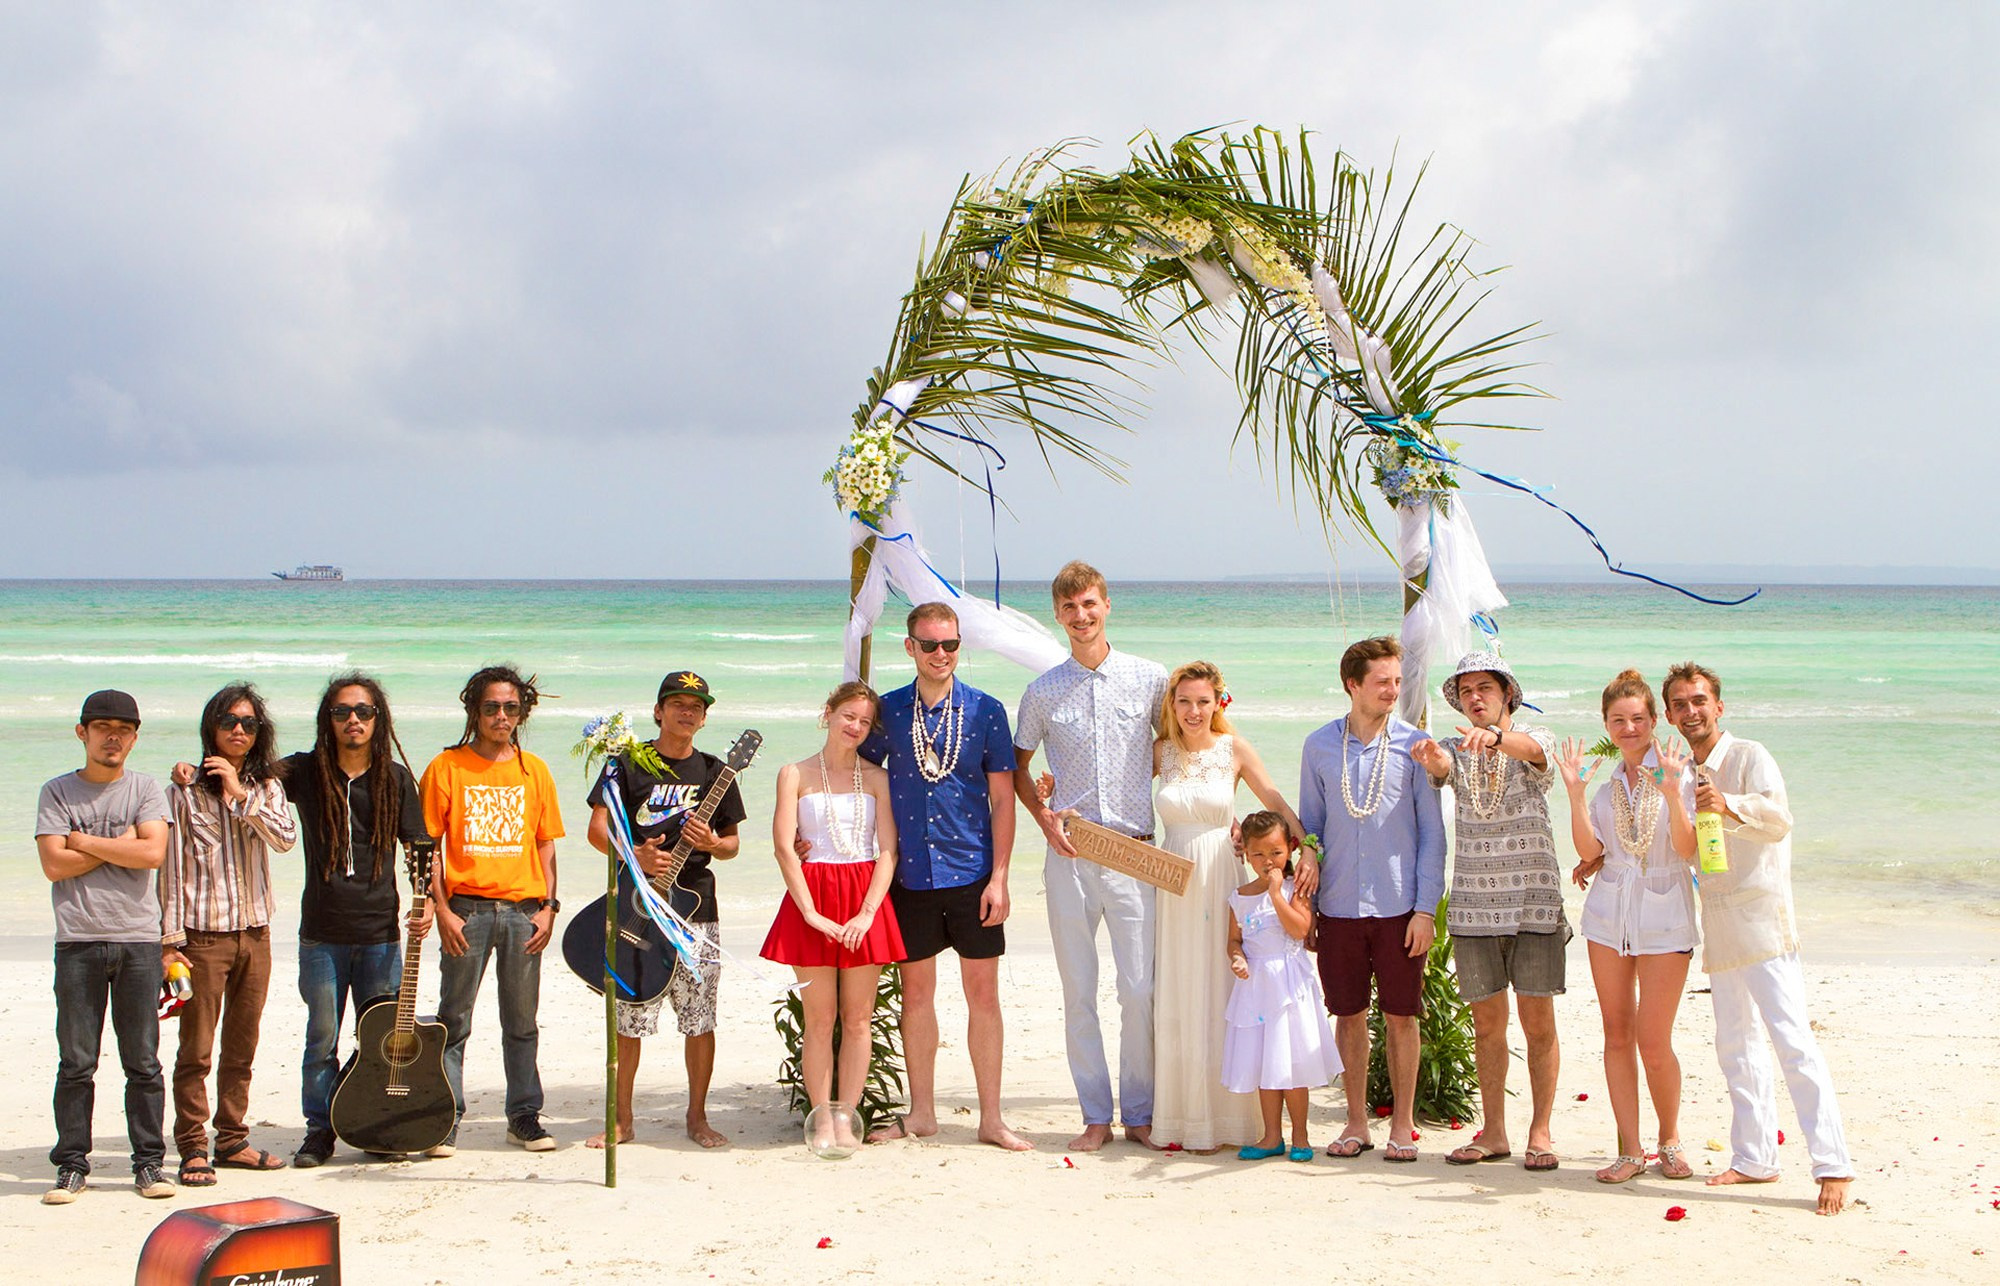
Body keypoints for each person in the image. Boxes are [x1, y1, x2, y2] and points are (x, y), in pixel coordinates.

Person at [1663, 662, 1855, 1215]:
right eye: (1680, 703)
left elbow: (1780, 819)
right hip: (1719, 922)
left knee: (1793, 1043)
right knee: (1736, 1046)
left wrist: (1728, 804)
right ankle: (1753, 1158)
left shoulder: (1749, 756)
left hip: (1764, 920)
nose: (1691, 711)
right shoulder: (1681, 774)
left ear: (1718, 706)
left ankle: (1834, 1164)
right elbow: (1690, 850)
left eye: (1699, 700)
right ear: (1672, 715)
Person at [856, 604, 1031, 1150]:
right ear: (909, 647)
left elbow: (1004, 800)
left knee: (984, 996)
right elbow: (854, 778)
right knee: (917, 995)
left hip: (972, 872)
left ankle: (992, 1118)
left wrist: (999, 877)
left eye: (950, 645)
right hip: (909, 876)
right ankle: (924, 1113)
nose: (941, 655)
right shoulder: (886, 712)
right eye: (929, 645)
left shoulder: (985, 711)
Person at [1012, 560, 1168, 1151]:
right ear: (1057, 615)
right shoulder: (1042, 690)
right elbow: (1017, 766)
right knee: (1079, 990)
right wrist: (1043, 817)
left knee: (1138, 990)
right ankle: (1095, 1115)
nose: (1081, 617)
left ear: (1107, 606)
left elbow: (1182, 743)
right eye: (1070, 608)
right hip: (1071, 852)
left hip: (1133, 850)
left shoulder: (1150, 679)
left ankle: (1142, 1113)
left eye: (1090, 605)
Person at [1409, 652, 1566, 1172]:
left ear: (1505, 695)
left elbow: (1534, 753)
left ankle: (1539, 1131)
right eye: (1466, 690)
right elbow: (1443, 766)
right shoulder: (1458, 746)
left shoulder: (1530, 742)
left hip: (1534, 902)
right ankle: (1494, 1130)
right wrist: (1434, 760)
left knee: (1538, 1021)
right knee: (1487, 1024)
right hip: (1475, 906)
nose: (1475, 697)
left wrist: (1497, 739)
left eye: (1485, 688)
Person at [1151, 660, 1314, 1153]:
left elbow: (1275, 801)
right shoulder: (1159, 752)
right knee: (1180, 988)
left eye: (1203, 701)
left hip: (1221, 870)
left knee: (1227, 984)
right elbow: (1116, 797)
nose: (1194, 711)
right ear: (1171, 705)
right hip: (1173, 878)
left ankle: (1238, 1119)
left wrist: (1308, 849)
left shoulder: (1233, 749)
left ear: (1219, 701)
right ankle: (1184, 1117)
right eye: (1184, 701)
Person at [583, 670, 744, 1150]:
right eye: (677, 703)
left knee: (700, 1018)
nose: (687, 711)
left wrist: (714, 842)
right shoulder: (626, 766)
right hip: (638, 908)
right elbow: (597, 830)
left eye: (696, 706)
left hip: (697, 910)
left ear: (705, 717)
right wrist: (633, 852)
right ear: (658, 711)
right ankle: (622, 1119)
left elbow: (733, 844)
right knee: (628, 1017)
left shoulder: (718, 771)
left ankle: (696, 1117)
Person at [1298, 636, 1444, 1163]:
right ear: (1352, 684)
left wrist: (1426, 909)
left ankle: (1402, 1126)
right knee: (1349, 1014)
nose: (1392, 690)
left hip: (1400, 906)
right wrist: (1307, 905)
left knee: (1404, 1015)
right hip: (1337, 906)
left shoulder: (1416, 745)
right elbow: (1310, 828)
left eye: (1398, 681)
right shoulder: (1318, 746)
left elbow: (1433, 834)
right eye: (1382, 681)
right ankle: (1355, 1122)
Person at [278, 674, 431, 1167]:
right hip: (321, 933)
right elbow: (248, 772)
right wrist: (193, 771)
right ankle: (319, 1130)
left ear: (377, 719)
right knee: (321, 1037)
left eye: (363, 712)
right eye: (343, 712)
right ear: (329, 720)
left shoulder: (394, 778)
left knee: (377, 1040)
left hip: (379, 934)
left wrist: (425, 899)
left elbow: (419, 846)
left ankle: (370, 1125)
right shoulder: (305, 772)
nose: (353, 721)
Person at [1557, 668, 1697, 1185]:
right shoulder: (1607, 785)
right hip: (1607, 918)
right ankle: (1630, 1150)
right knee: (1616, 1034)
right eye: (1619, 720)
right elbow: (1591, 851)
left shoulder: (1680, 772)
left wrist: (1676, 794)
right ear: (1607, 725)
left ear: (1655, 721)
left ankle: (1670, 1141)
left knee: (1653, 1038)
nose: (1629, 728)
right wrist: (1574, 793)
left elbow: (1688, 849)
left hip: (1666, 917)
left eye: (1638, 718)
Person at [36, 690, 176, 1205]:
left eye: (124, 728)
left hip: (139, 941)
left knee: (143, 1061)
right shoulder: (56, 792)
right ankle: (71, 1166)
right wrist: (123, 848)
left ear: (135, 738)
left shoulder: (145, 790)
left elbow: (153, 853)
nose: (112, 736)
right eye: (102, 727)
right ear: (83, 733)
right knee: (76, 1062)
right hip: (77, 941)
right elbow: (53, 865)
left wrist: (84, 841)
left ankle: (149, 1165)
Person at [421, 665, 564, 1156]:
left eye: (510, 707)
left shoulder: (534, 770)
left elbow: (546, 847)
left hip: (524, 912)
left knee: (521, 1022)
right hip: (468, 911)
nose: (501, 716)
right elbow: (429, 848)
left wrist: (548, 909)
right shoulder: (446, 768)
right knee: (453, 1019)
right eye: (491, 708)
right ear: (473, 711)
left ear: (522, 712)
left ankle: (523, 1116)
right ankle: (444, 1117)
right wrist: (441, 910)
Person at [160, 683, 297, 1186]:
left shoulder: (267, 788)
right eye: (228, 721)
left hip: (255, 935)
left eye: (248, 724)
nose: (238, 730)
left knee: (243, 1045)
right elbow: (171, 871)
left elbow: (284, 840)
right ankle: (193, 1146)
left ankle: (233, 1139)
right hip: (200, 940)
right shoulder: (183, 791)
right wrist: (169, 942)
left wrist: (240, 795)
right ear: (211, 728)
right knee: (195, 1047)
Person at [761, 682, 905, 1152]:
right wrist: (810, 913)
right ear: (828, 713)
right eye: (848, 716)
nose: (855, 727)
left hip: (865, 897)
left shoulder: (877, 778)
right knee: (819, 1019)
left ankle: (847, 1117)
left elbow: (887, 850)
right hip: (813, 896)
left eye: (864, 722)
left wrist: (867, 913)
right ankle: (821, 1119)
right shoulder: (793, 773)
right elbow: (785, 846)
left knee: (859, 1018)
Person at [1223, 811, 1339, 1164]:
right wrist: (1237, 958)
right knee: (1265, 1065)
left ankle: (1300, 1135)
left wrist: (1276, 895)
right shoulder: (1239, 896)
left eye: (1275, 853)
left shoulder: (1295, 889)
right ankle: (1271, 1135)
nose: (1267, 861)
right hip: (1256, 988)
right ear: (1246, 854)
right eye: (1258, 854)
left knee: (1291, 1064)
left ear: (1289, 849)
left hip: (1289, 985)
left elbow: (1300, 930)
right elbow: (1233, 940)